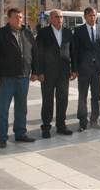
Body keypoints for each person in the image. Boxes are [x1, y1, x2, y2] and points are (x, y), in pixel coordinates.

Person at [0, 8, 38, 148]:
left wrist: (35, 72)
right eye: (16, 17)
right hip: (5, 79)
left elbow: (33, 53)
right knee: (3, 108)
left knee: (22, 107)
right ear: (8, 18)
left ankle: (20, 133)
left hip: (23, 77)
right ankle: (2, 137)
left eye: (21, 17)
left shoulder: (27, 33)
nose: (19, 20)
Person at [36, 9, 74, 138]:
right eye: (57, 17)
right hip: (47, 73)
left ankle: (61, 125)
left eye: (61, 17)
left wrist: (73, 69)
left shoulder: (68, 32)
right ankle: (46, 127)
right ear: (51, 19)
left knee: (63, 100)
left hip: (64, 73)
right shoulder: (43, 33)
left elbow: (73, 52)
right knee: (47, 101)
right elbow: (38, 54)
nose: (60, 19)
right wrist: (39, 72)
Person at [72, 7, 100, 131]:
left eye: (94, 15)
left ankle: (94, 120)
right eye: (90, 15)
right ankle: (82, 122)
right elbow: (74, 51)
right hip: (83, 69)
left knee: (96, 96)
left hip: (97, 70)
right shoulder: (78, 30)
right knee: (83, 96)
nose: (93, 17)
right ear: (85, 17)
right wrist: (75, 69)